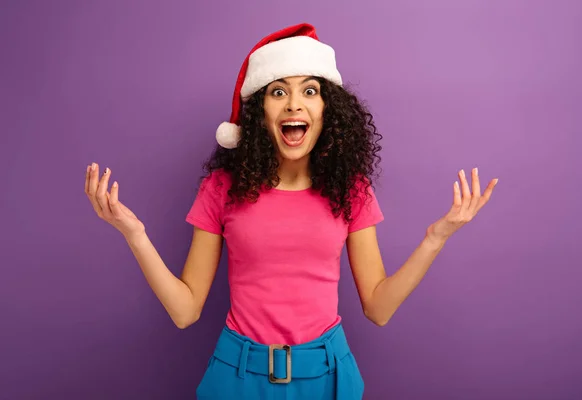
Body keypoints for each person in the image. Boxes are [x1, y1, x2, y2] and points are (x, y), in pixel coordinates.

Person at [83, 23, 498, 400]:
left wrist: (436, 238)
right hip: (238, 377)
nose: (294, 105)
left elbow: (378, 307)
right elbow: (185, 310)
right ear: (259, 111)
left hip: (327, 377)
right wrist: (134, 234)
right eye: (278, 91)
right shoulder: (222, 189)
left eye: (309, 91)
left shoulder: (352, 191)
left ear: (327, 111)